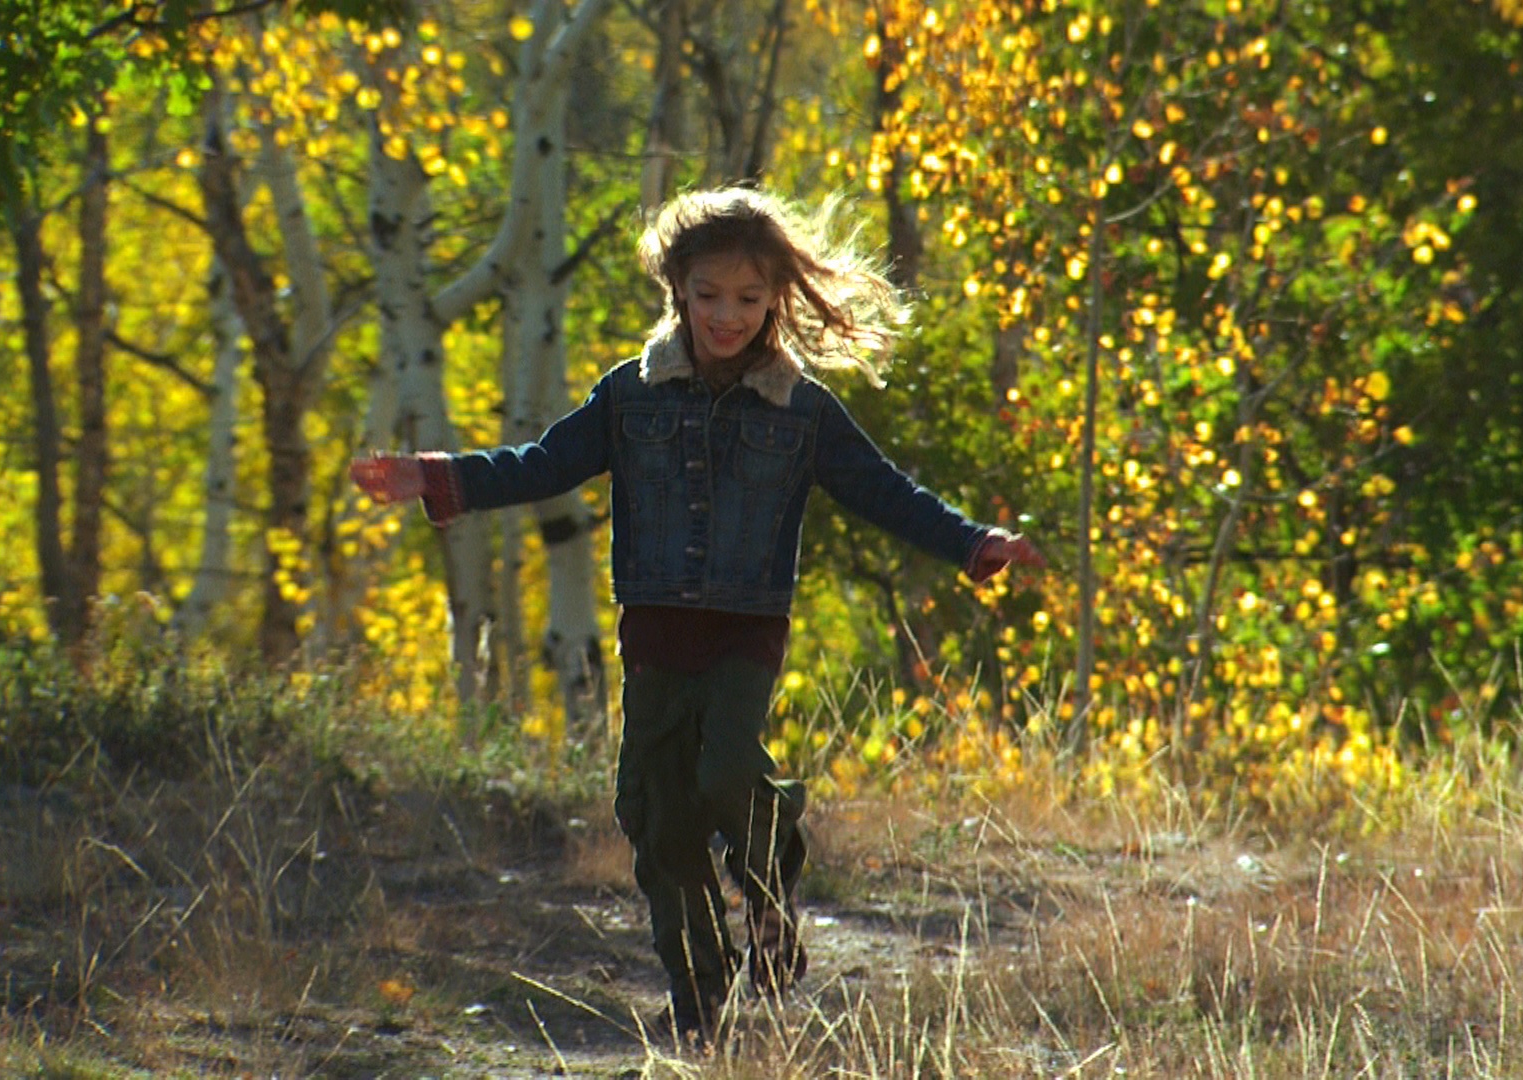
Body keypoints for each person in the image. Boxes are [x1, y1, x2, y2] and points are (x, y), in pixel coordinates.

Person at [350, 187, 1044, 1045]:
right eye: (710, 295)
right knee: (656, 818)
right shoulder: (629, 397)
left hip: (744, 631)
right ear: (677, 286)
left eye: (750, 300)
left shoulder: (802, 412)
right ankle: (700, 993)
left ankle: (772, 881)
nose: (728, 316)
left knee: (724, 772)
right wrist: (440, 476)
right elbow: (544, 464)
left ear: (776, 301)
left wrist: (977, 543)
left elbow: (884, 493)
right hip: (654, 631)